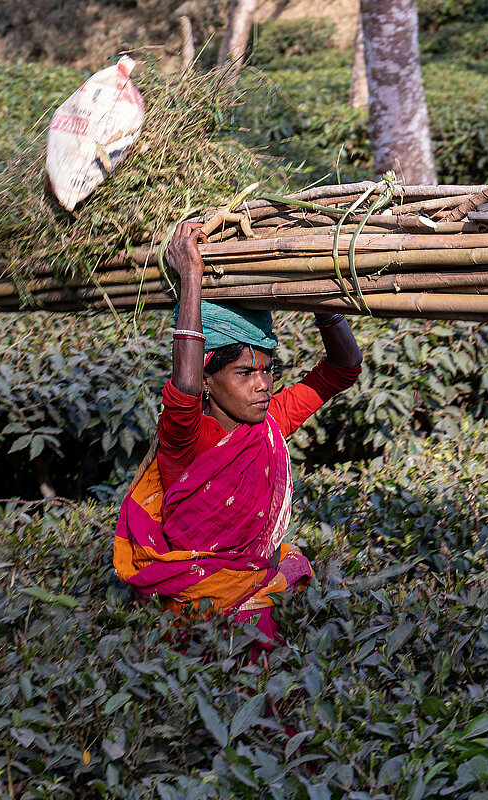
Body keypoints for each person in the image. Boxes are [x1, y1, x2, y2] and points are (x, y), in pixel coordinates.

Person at [112, 221, 362, 648]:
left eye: (266, 371)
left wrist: (321, 298)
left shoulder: (270, 423)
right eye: (245, 373)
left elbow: (343, 368)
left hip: (253, 582)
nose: (262, 384)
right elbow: (184, 386)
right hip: (194, 596)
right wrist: (191, 277)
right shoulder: (186, 438)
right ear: (208, 379)